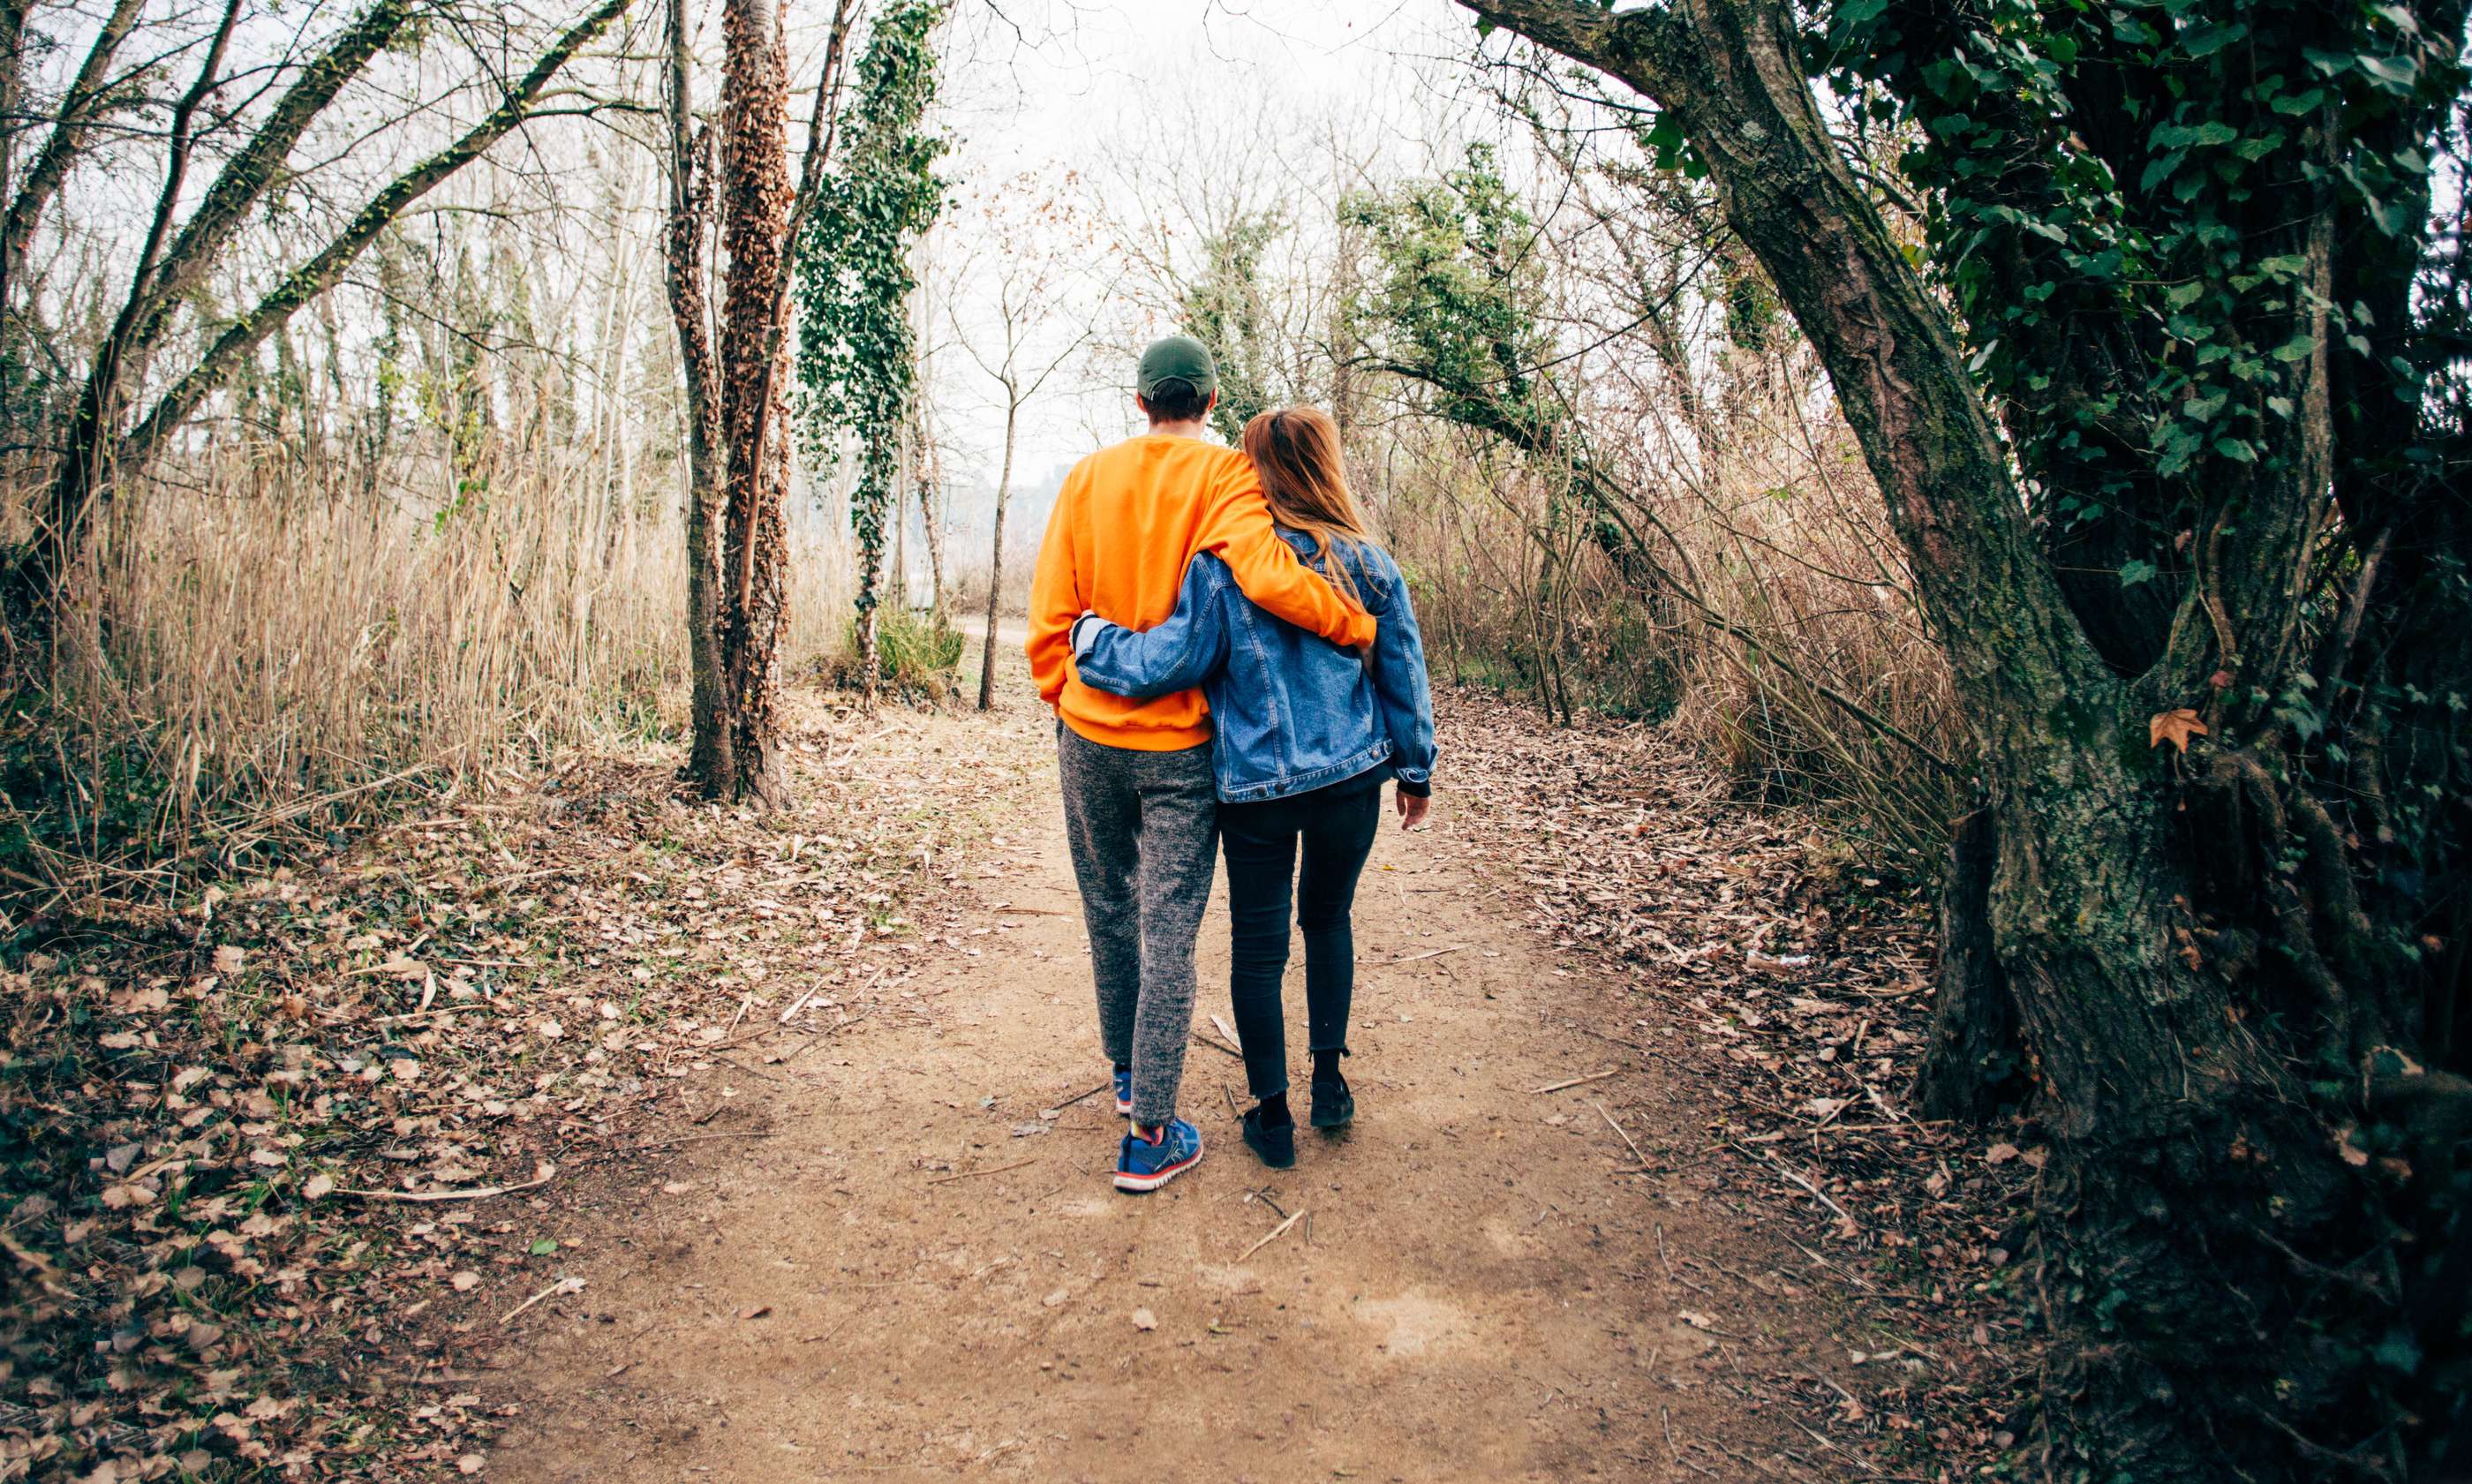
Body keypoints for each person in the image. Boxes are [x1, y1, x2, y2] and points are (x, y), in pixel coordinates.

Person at [1025, 339, 1375, 1194]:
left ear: (1140, 401)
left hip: (1087, 735)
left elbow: (1050, 621)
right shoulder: (1226, 477)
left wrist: (1066, 699)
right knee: (1168, 925)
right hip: (1177, 746)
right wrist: (1352, 624)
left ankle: (1127, 1075)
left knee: (1108, 904)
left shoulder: (1084, 479)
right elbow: (1263, 575)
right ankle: (1150, 1132)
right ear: (1212, 399)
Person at [1069, 406, 1436, 1171]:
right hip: (1349, 784)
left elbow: (1171, 660)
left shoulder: (1223, 567)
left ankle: (1272, 1118)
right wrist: (1415, 770)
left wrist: (1093, 640)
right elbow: (1402, 666)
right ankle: (1329, 1084)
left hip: (1257, 794)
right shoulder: (1366, 562)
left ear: (1257, 472)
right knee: (1328, 922)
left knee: (1259, 948)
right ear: (1327, 464)